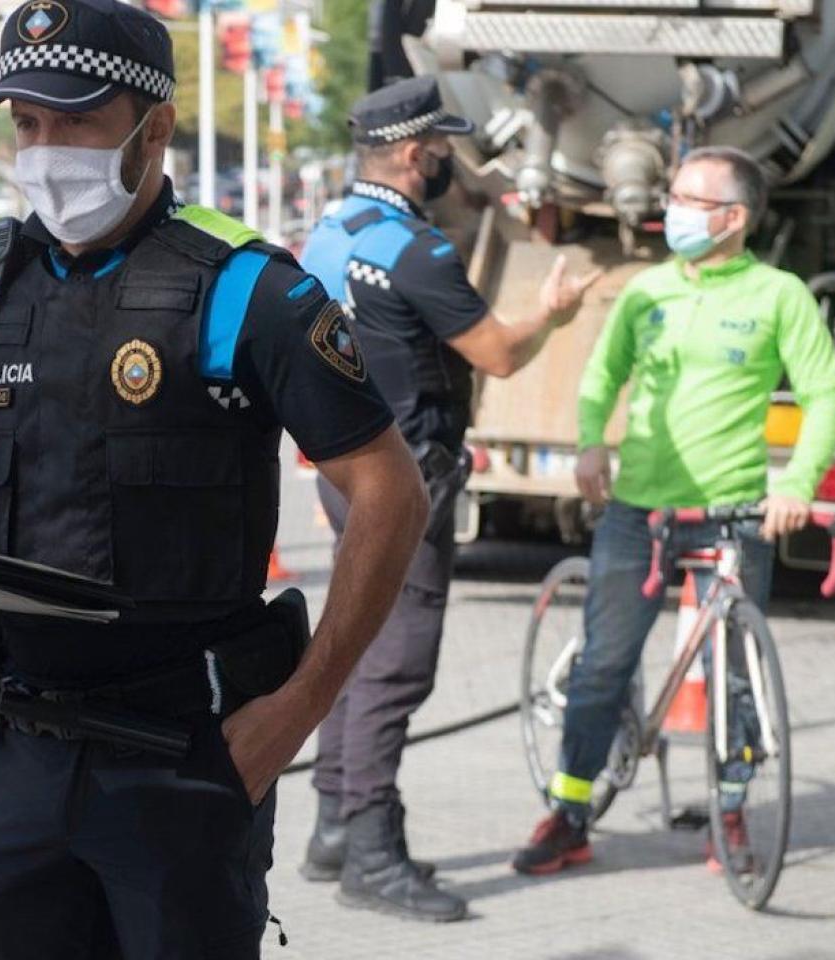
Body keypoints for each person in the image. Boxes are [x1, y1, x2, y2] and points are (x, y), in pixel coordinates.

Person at [0, 1, 429, 955]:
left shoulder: (250, 288)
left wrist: (297, 712)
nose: (44, 149)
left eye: (75, 119)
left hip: (187, 759)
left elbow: (390, 493)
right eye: (26, 124)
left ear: (154, 127)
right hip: (17, 762)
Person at [296, 75, 603, 921]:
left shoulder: (326, 232)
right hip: (406, 475)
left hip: (341, 466)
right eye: (440, 150)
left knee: (352, 642)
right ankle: (370, 849)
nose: (447, 163)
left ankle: (329, 825)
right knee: (397, 661)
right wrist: (552, 312)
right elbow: (497, 355)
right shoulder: (413, 248)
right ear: (409, 152)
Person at [512, 145, 835, 876]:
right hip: (638, 510)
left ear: (735, 217)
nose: (674, 209)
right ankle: (570, 813)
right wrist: (592, 442)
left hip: (733, 513)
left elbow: (823, 396)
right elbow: (604, 372)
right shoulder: (648, 290)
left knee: (738, 674)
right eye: (675, 194)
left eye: (693, 200)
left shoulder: (780, 294)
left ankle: (728, 812)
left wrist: (798, 486)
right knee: (604, 665)